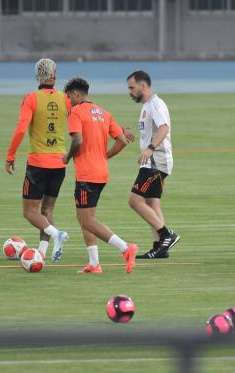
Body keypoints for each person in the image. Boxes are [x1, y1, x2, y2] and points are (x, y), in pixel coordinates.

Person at [62, 77, 139, 274]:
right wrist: (103, 157)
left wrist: (67, 157)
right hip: (101, 172)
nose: (68, 101)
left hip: (87, 174)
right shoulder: (103, 112)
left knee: (86, 220)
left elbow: (77, 139)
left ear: (76, 94)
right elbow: (122, 140)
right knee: (86, 218)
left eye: (69, 97)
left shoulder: (76, 112)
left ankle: (125, 248)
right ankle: (94, 263)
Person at [5, 58, 69, 262]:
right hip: (60, 163)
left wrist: (11, 155)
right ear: (55, 75)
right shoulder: (65, 99)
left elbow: (21, 128)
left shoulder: (31, 99)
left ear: (37, 76)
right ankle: (41, 252)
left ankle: (56, 234)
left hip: (38, 164)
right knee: (47, 209)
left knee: (29, 212)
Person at [126, 71, 180, 259]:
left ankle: (166, 235)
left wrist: (150, 148)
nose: (129, 92)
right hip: (151, 162)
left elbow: (164, 128)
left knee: (134, 200)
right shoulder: (147, 106)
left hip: (156, 162)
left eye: (131, 87)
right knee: (152, 202)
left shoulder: (155, 104)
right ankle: (160, 248)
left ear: (143, 86)